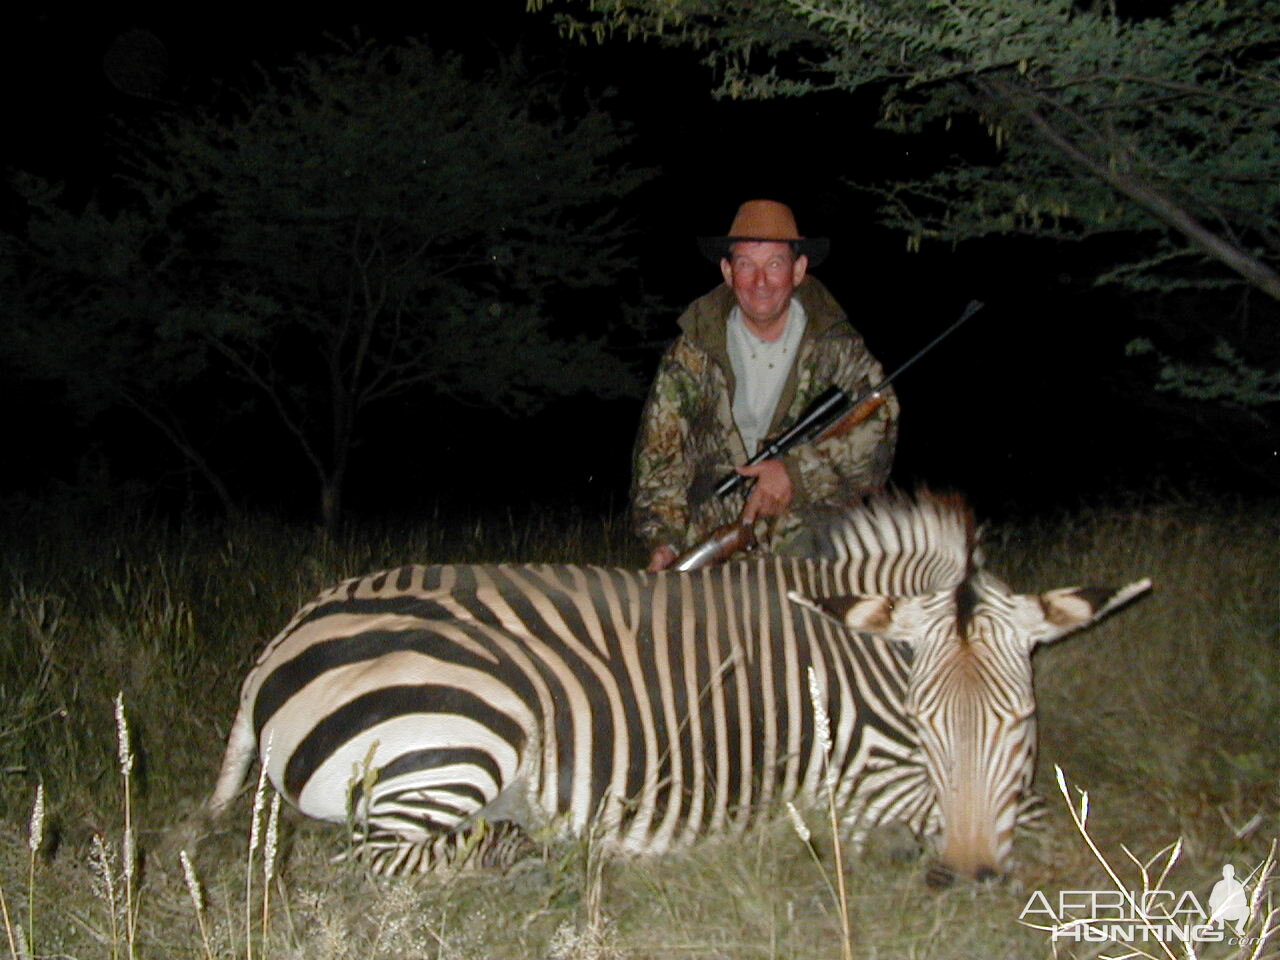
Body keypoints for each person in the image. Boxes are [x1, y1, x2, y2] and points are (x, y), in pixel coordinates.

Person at [632, 199, 899, 572]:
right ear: (727, 272)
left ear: (798, 269)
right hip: (714, 538)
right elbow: (660, 459)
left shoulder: (840, 351)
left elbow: (879, 441)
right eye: (746, 264)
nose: (760, 282)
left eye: (774, 264)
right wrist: (665, 541)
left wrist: (796, 474)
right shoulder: (690, 352)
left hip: (810, 542)